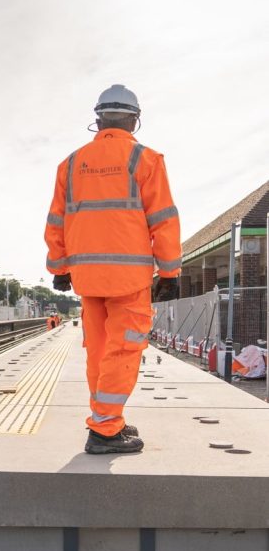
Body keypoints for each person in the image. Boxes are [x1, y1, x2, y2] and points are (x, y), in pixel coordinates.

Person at [44, 84, 181, 454]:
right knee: (124, 350)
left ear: (98, 119)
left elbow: (56, 221)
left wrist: (59, 267)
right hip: (130, 279)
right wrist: (169, 272)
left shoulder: (71, 164)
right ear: (134, 121)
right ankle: (104, 429)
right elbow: (164, 220)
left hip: (87, 279)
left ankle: (108, 418)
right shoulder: (146, 160)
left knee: (100, 352)